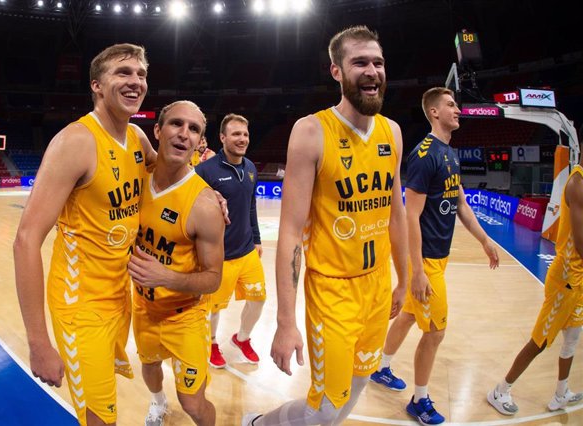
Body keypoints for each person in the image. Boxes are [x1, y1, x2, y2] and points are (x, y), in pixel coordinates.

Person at [242, 25, 408, 425]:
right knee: (327, 410)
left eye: (378, 62)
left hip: (376, 288)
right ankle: (259, 423)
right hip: (333, 291)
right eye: (360, 63)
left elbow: (395, 212)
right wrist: (285, 321)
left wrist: (405, 278)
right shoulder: (312, 131)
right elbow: (290, 233)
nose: (372, 71)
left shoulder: (393, 132)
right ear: (336, 71)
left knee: (357, 387)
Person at [13, 43, 157, 426]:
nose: (135, 81)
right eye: (123, 72)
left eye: (141, 74)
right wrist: (39, 343)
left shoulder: (139, 140)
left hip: (118, 297)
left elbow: (171, 187)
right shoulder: (75, 142)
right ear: (96, 84)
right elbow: (26, 239)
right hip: (81, 307)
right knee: (99, 419)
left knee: (104, 404)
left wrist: (212, 197)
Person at [369, 87, 499, 425]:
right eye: (451, 105)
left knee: (410, 316)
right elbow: (410, 216)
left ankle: (381, 367)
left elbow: (461, 205)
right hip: (425, 261)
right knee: (436, 332)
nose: (458, 109)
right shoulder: (425, 154)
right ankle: (420, 400)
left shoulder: (451, 155)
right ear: (434, 113)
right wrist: (416, 271)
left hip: (438, 258)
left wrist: (484, 240)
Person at [129, 101, 224, 426]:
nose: (185, 134)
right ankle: (157, 401)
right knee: (150, 368)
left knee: (194, 404)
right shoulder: (136, 177)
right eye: (176, 124)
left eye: (194, 129)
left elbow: (213, 278)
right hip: (142, 308)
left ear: (200, 142)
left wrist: (168, 277)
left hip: (184, 317)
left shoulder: (205, 204)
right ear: (158, 130)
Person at [487, 156, 583, 416]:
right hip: (566, 278)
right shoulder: (578, 183)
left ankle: (561, 393)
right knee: (540, 341)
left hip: (578, 278)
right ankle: (500, 390)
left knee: (573, 337)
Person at [195, 113, 266, 368]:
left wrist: (257, 238)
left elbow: (251, 206)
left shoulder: (250, 168)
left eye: (245, 134)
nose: (242, 139)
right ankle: (212, 343)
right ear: (223, 138)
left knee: (258, 298)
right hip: (219, 254)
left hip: (247, 250)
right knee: (214, 307)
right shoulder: (204, 171)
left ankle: (242, 338)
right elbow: (192, 212)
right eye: (236, 134)